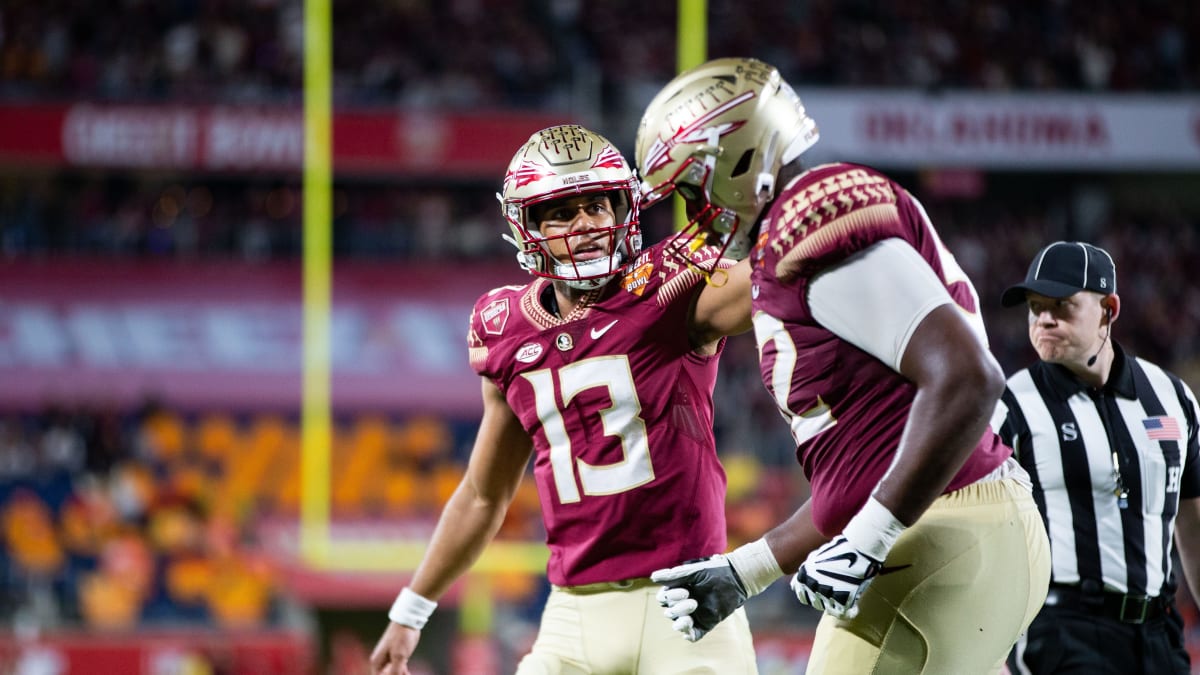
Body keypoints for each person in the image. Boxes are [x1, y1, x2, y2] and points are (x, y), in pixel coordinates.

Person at [633, 57, 1051, 673]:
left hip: (944, 530)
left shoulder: (814, 219)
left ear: (738, 159)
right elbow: (858, 474)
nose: (695, 213)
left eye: (694, 189)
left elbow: (969, 378)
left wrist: (870, 538)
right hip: (962, 530)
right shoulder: (801, 226)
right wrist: (746, 571)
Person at [368, 124, 759, 674]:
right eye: (562, 212)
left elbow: (778, 277)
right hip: (573, 614)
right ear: (527, 227)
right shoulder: (505, 329)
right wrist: (411, 611)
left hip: (690, 602)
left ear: (624, 207)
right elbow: (484, 495)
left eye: (599, 206)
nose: (587, 226)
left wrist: (753, 192)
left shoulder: (671, 290)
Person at [996, 241, 1200, 674]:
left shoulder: (1173, 398)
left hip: (1159, 632)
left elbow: (1192, 518)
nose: (1043, 319)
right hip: (1063, 630)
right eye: (1035, 307)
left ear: (1109, 309)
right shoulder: (1010, 406)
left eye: (1062, 306)